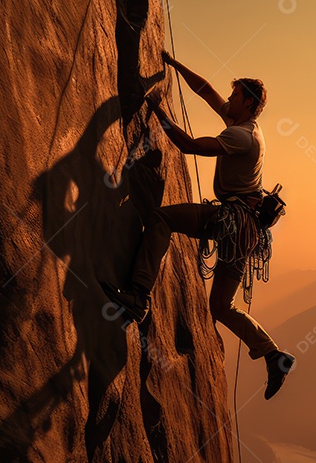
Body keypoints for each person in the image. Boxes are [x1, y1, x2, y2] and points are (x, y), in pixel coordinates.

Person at [105, 50, 295, 399]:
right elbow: (207, 90)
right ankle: (272, 354)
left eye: (235, 96)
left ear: (249, 103)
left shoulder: (242, 136)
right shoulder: (246, 126)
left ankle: (138, 296)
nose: (228, 100)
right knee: (221, 307)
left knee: (162, 218)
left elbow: (190, 145)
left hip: (232, 222)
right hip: (247, 232)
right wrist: (174, 65)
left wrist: (157, 111)